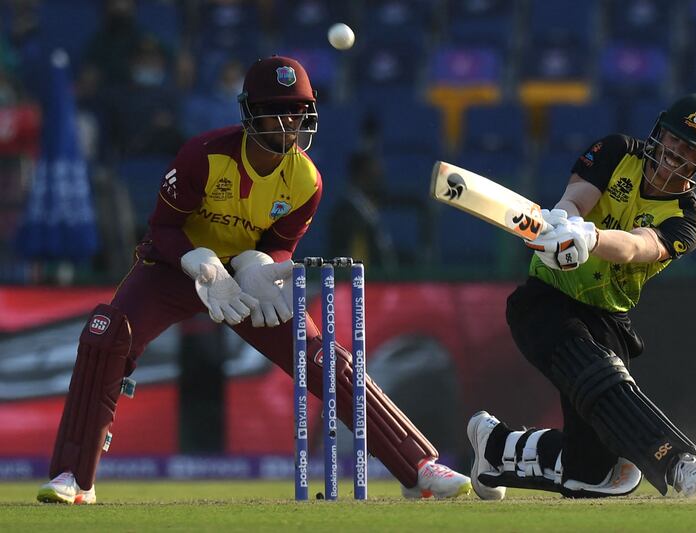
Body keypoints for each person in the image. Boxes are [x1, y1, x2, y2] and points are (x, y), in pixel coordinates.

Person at [36, 55, 470, 504]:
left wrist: (260, 265)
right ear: (251, 113)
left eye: (299, 112)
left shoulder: (306, 181)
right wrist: (199, 263)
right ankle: (74, 477)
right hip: (174, 269)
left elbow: (281, 244)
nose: (290, 123)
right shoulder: (203, 156)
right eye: (279, 111)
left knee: (320, 358)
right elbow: (163, 229)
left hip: (243, 281)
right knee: (108, 338)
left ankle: (418, 466)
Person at [467, 93, 696, 499]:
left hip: (607, 319)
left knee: (592, 471)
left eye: (691, 150)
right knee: (600, 376)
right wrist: (564, 223)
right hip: (546, 300)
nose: (676, 154)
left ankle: (497, 448)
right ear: (660, 132)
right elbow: (575, 199)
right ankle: (678, 463)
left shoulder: (685, 221)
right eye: (675, 140)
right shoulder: (617, 150)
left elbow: (636, 246)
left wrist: (589, 237)